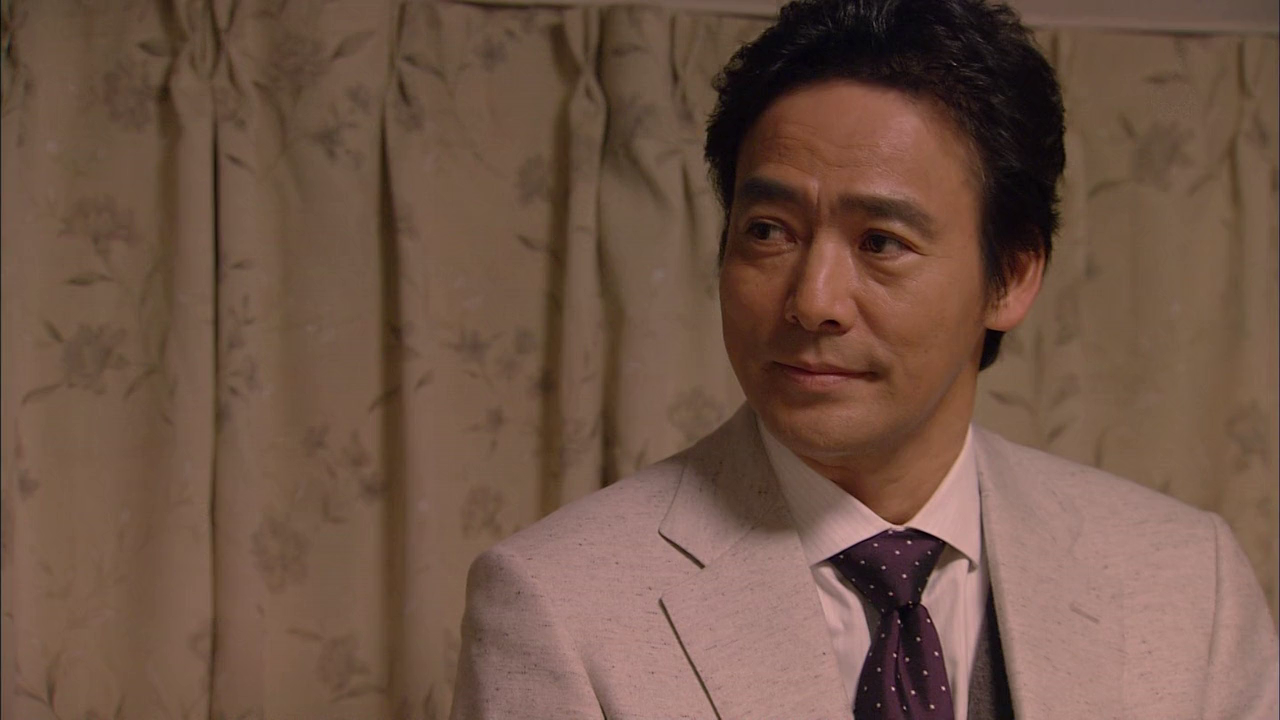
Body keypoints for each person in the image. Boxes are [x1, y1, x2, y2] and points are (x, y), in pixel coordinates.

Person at [449, 0, 1280, 717]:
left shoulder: (1187, 582)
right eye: (768, 231)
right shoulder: (557, 602)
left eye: (881, 242)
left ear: (1012, 275)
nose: (813, 300)